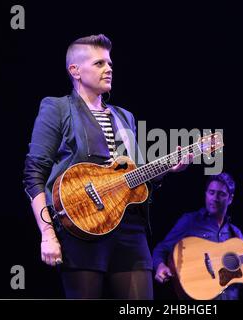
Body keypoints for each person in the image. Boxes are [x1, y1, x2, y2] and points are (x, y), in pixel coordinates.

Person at [23, 34, 191, 299]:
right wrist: (47, 234)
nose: (109, 68)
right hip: (82, 225)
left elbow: (133, 176)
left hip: (129, 228)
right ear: (75, 71)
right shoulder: (56, 108)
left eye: (110, 63)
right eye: (99, 63)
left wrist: (168, 168)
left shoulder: (125, 117)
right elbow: (33, 175)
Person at [152, 172, 243, 300]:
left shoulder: (235, 234)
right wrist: (160, 266)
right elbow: (161, 248)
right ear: (205, 194)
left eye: (221, 194)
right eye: (211, 192)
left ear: (230, 199)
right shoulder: (190, 221)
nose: (214, 198)